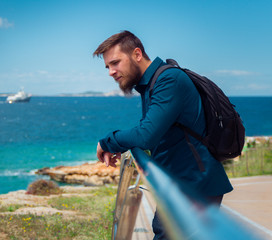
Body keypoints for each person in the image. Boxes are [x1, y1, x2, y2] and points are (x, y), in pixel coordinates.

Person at [93, 31, 233, 239]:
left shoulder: (168, 80)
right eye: (108, 67)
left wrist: (106, 142)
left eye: (115, 63)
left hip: (196, 186)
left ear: (137, 54)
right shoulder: (150, 85)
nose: (111, 72)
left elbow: (145, 135)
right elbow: (157, 134)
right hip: (181, 184)